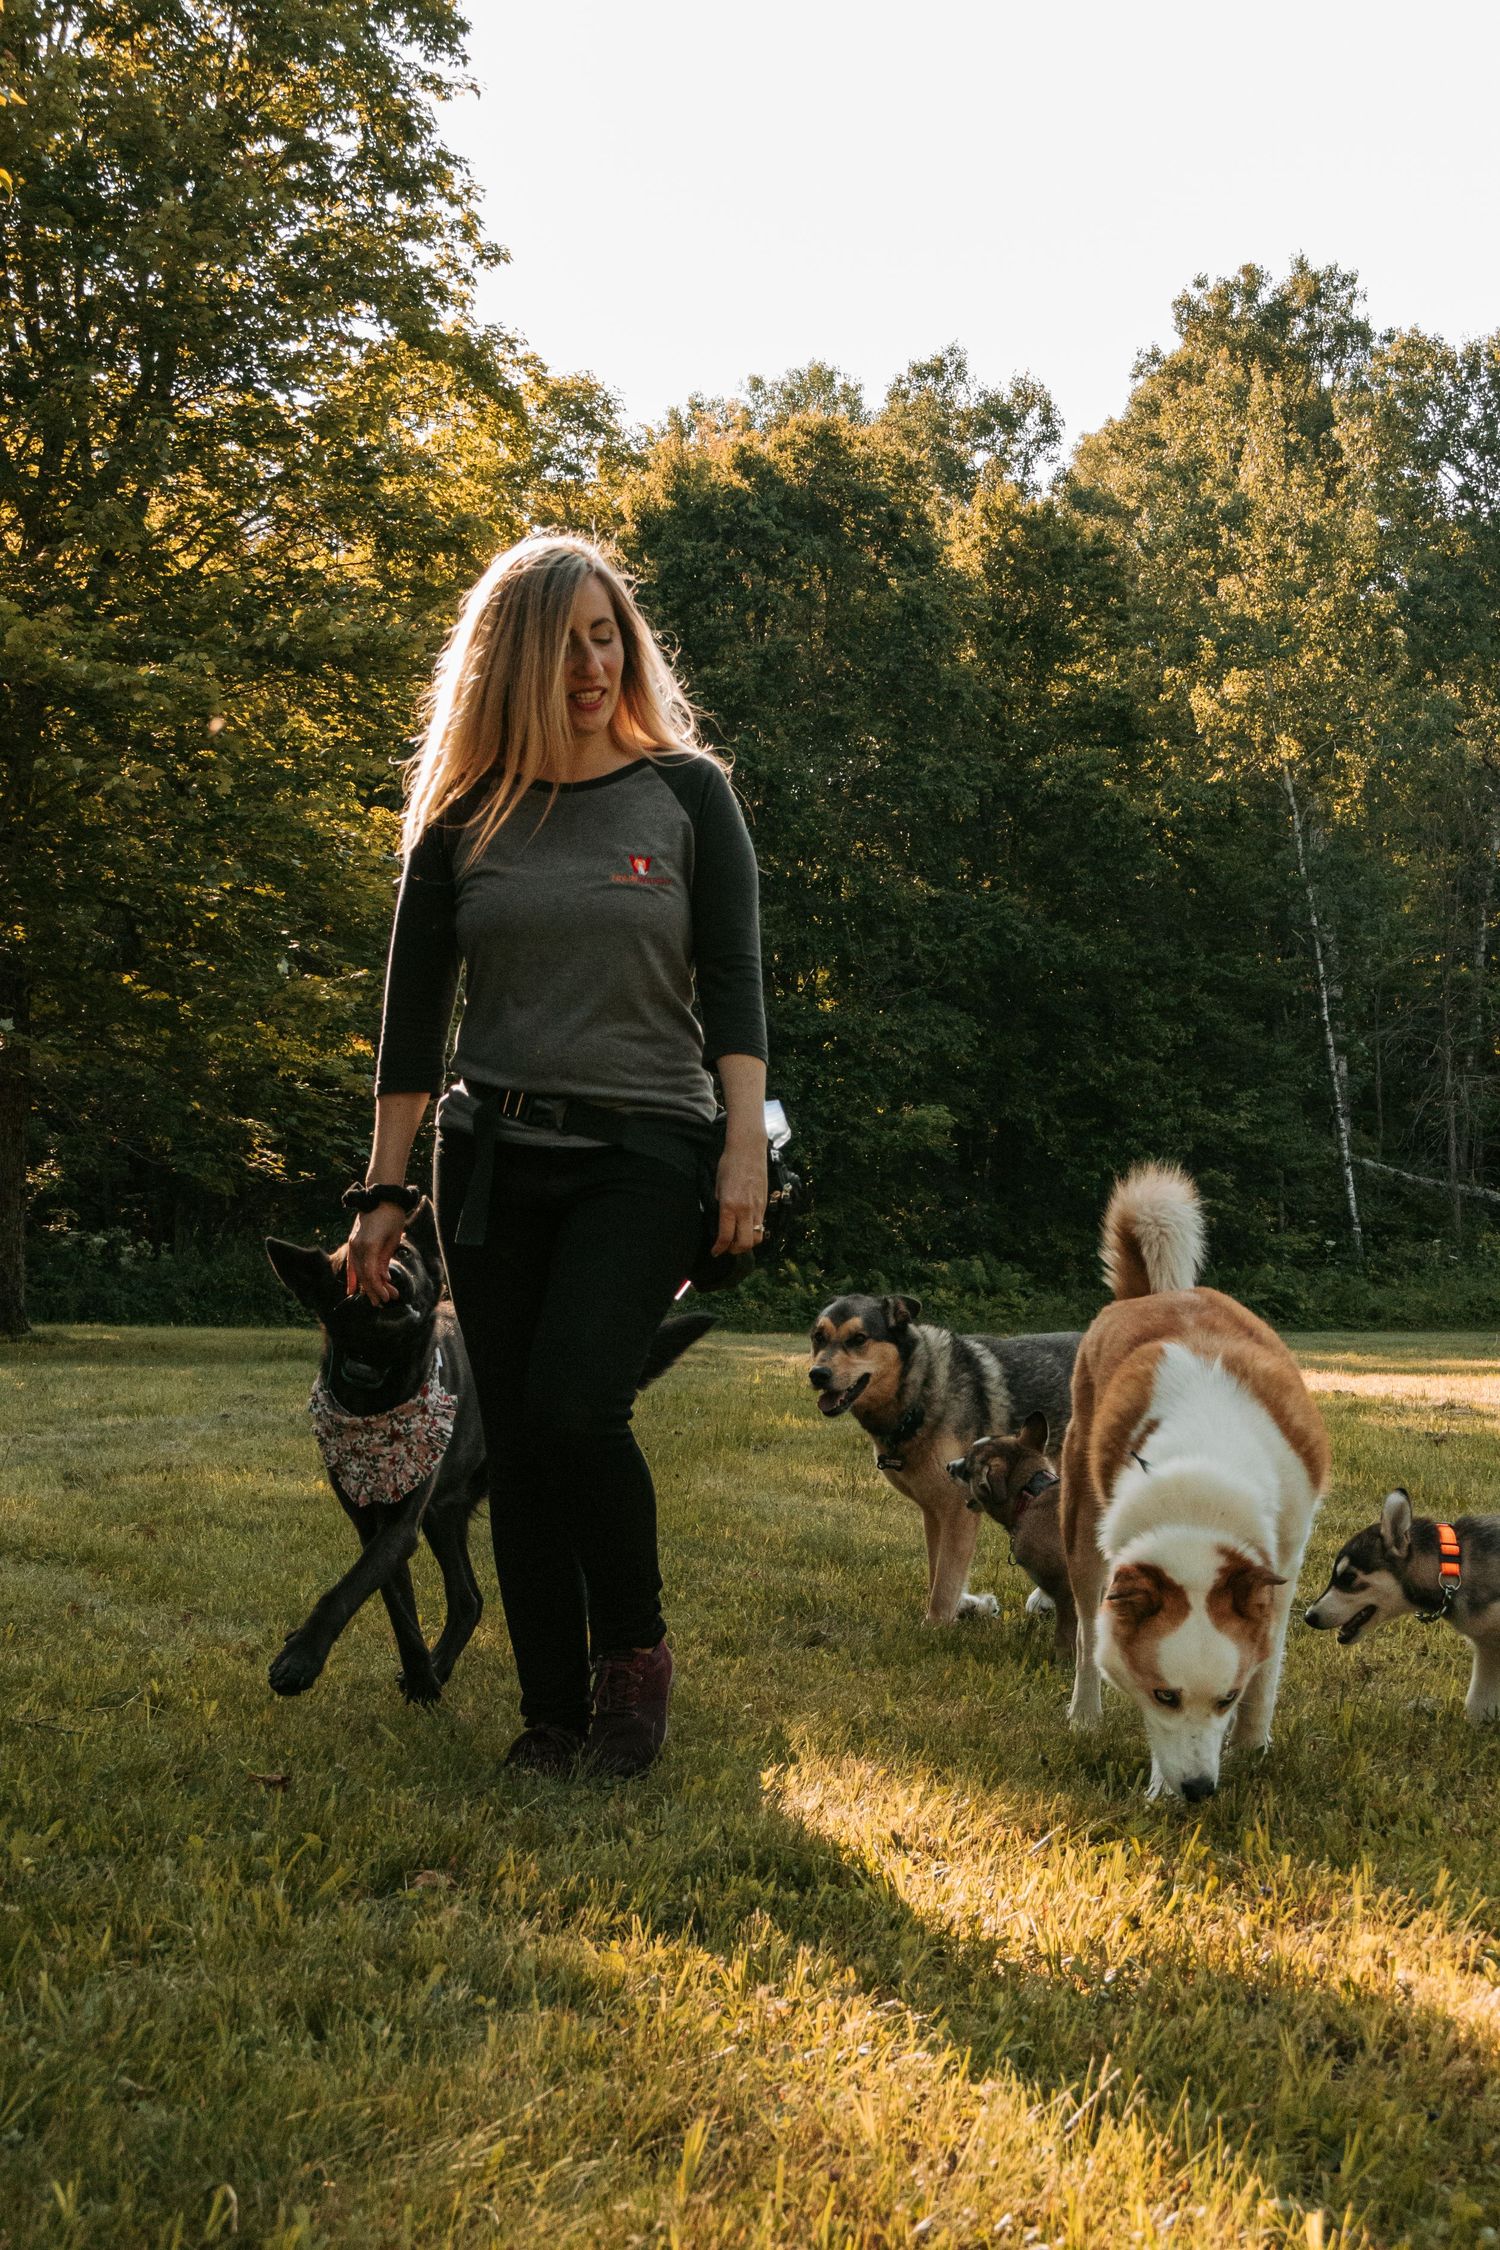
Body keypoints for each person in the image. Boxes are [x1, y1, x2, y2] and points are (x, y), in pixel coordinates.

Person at [345, 534, 768, 1777]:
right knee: (522, 1437)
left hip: (648, 1146)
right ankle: (549, 1712)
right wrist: (382, 1191)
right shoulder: (464, 821)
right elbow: (413, 1020)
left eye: (607, 634)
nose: (593, 663)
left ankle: (632, 1660)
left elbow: (735, 984)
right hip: (493, 1158)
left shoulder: (689, 795)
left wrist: (744, 1146)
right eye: (566, 640)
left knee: (581, 1402)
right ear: (511, 658)